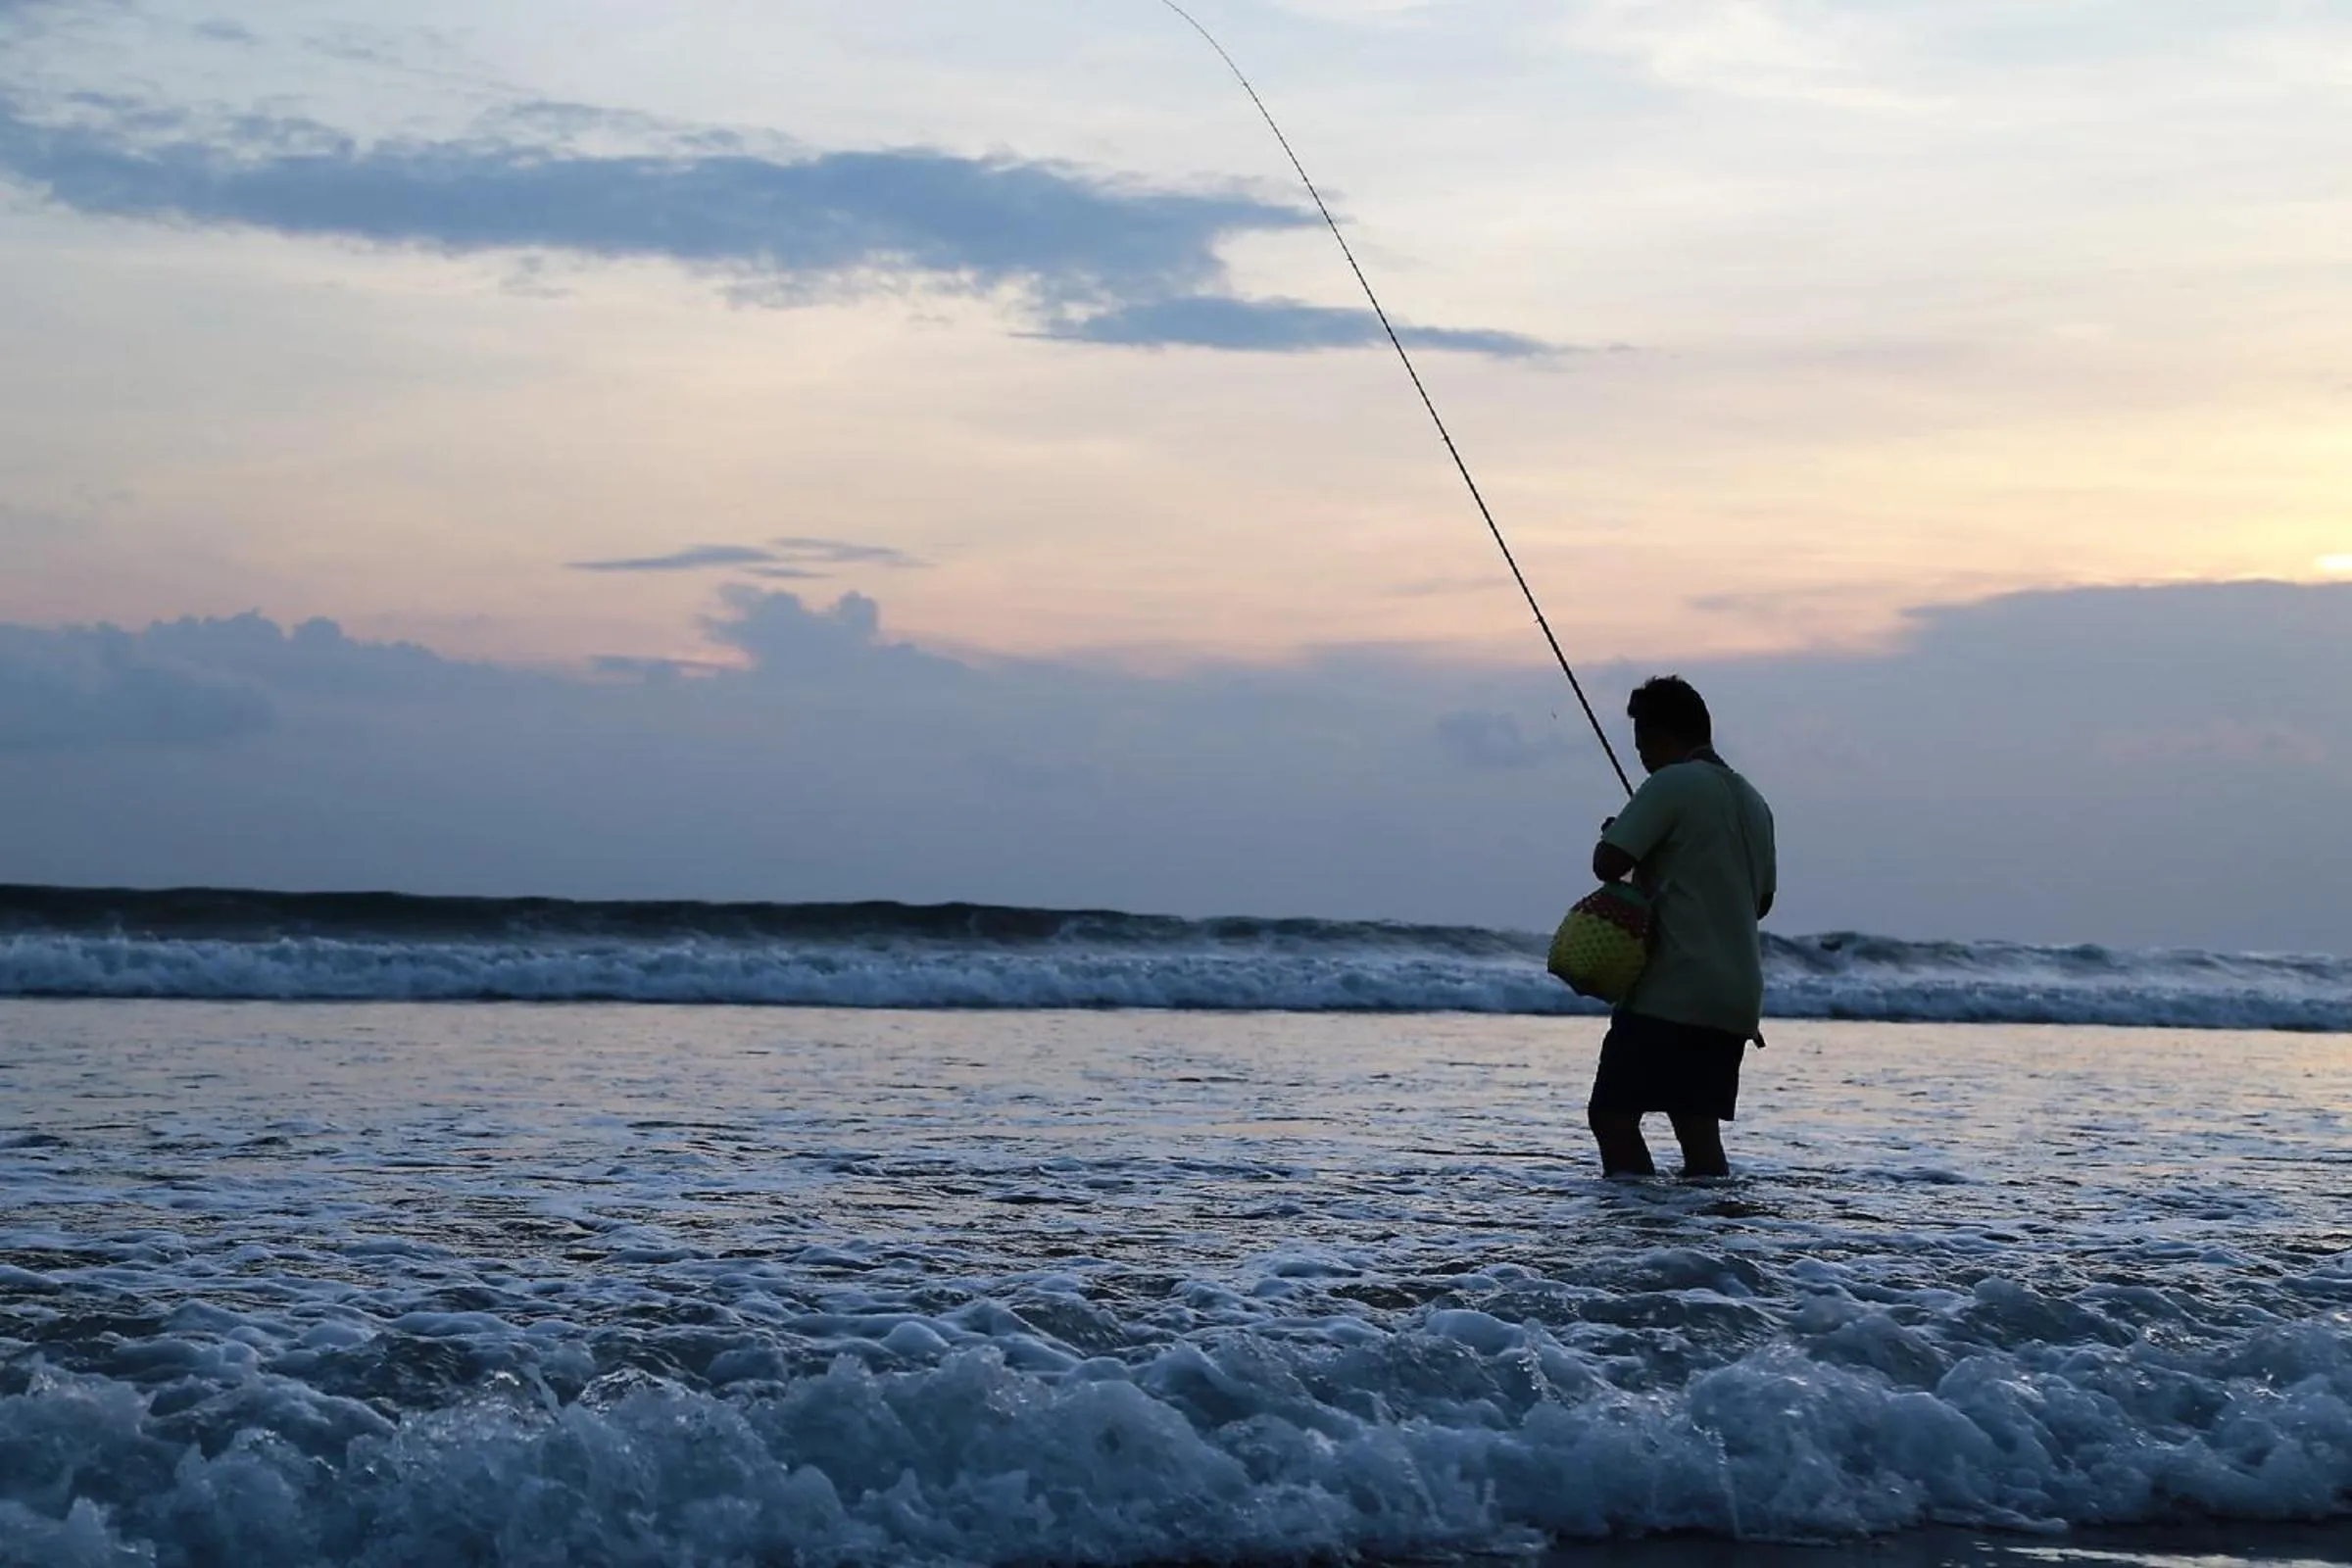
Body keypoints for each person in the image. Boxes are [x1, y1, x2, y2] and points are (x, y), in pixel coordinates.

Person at [1587, 676, 1776, 1178]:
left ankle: (1642, 1232)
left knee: (1612, 1116)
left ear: (1661, 735)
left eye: (1643, 745)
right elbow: (1761, 902)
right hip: (1735, 997)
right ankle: (1705, 1241)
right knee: (1697, 1127)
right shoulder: (1754, 801)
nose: (1643, 760)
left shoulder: (1671, 783)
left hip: (1672, 989)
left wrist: (1620, 833)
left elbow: (1608, 861)